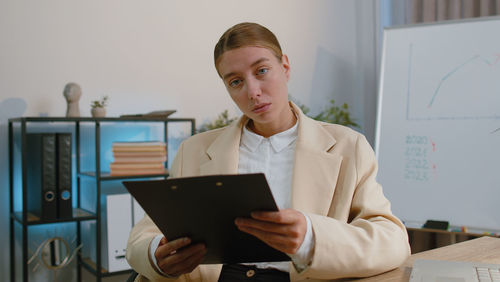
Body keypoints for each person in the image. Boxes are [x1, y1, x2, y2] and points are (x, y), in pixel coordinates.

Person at [126, 22, 410, 282]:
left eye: (262, 71)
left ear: (285, 67)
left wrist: (311, 238)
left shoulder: (348, 146)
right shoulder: (194, 150)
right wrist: (156, 255)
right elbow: (145, 233)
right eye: (235, 81)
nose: (253, 91)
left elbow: (393, 241)